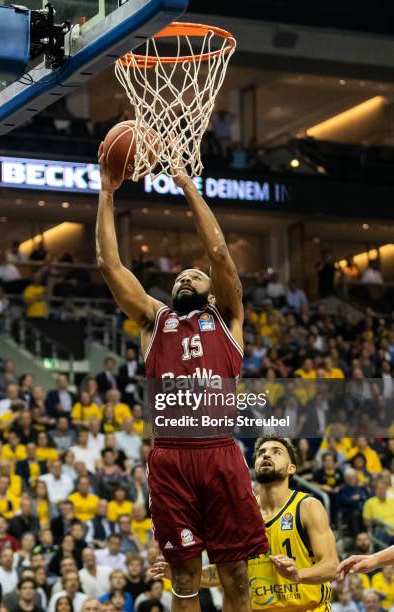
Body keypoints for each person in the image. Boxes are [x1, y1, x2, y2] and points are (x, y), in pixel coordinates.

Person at [96, 147, 268, 611]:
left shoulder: (228, 316)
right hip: (171, 457)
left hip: (219, 452)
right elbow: (111, 267)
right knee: (184, 579)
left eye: (196, 276)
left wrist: (186, 183)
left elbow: (217, 252)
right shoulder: (155, 320)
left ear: (213, 289)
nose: (187, 279)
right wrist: (107, 194)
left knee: (235, 576)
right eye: (180, 278)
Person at [152, 436, 339, 612]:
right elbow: (230, 574)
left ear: (291, 468)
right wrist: (182, 575)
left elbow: (331, 567)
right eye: (261, 452)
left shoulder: (307, 506)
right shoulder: (240, 510)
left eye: (276, 452)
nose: (266, 455)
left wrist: (297, 574)